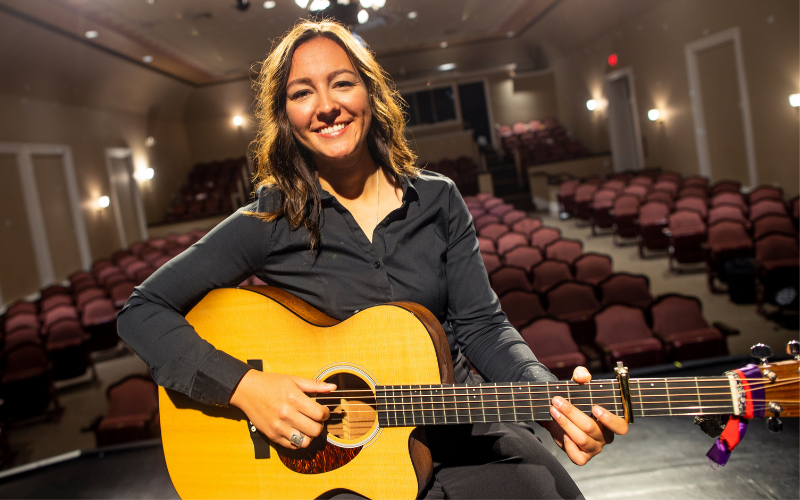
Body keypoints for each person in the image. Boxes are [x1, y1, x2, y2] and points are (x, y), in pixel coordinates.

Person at [117, 19, 627, 499]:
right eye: (301, 93)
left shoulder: (439, 199)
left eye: (341, 83)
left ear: (370, 93)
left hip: (463, 427)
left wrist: (549, 399)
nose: (325, 107)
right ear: (286, 117)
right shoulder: (268, 221)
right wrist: (246, 387)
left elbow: (483, 327)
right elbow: (142, 312)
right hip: (341, 459)